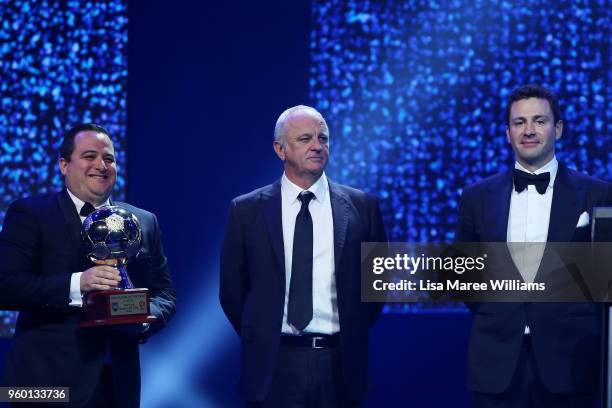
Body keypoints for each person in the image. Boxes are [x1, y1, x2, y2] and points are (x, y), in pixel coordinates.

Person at [220, 105, 387, 407]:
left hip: (340, 365)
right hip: (272, 366)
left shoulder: (363, 206)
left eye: (323, 138)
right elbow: (232, 292)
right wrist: (262, 333)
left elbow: (376, 288)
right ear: (279, 149)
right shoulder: (246, 210)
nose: (317, 146)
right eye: (305, 138)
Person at [456, 84, 611, 407]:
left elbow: (604, 283)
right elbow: (465, 279)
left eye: (539, 121)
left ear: (558, 129)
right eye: (519, 122)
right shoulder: (476, 197)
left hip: (569, 363)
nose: (529, 131)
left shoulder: (597, 194)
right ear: (507, 132)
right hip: (496, 363)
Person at [0, 123, 176, 408]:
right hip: (43, 383)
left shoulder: (143, 221)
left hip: (117, 384)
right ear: (63, 164)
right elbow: (5, 286)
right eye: (89, 156)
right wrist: (77, 284)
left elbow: (165, 295)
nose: (101, 165)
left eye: (109, 158)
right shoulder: (30, 213)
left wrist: (140, 318)